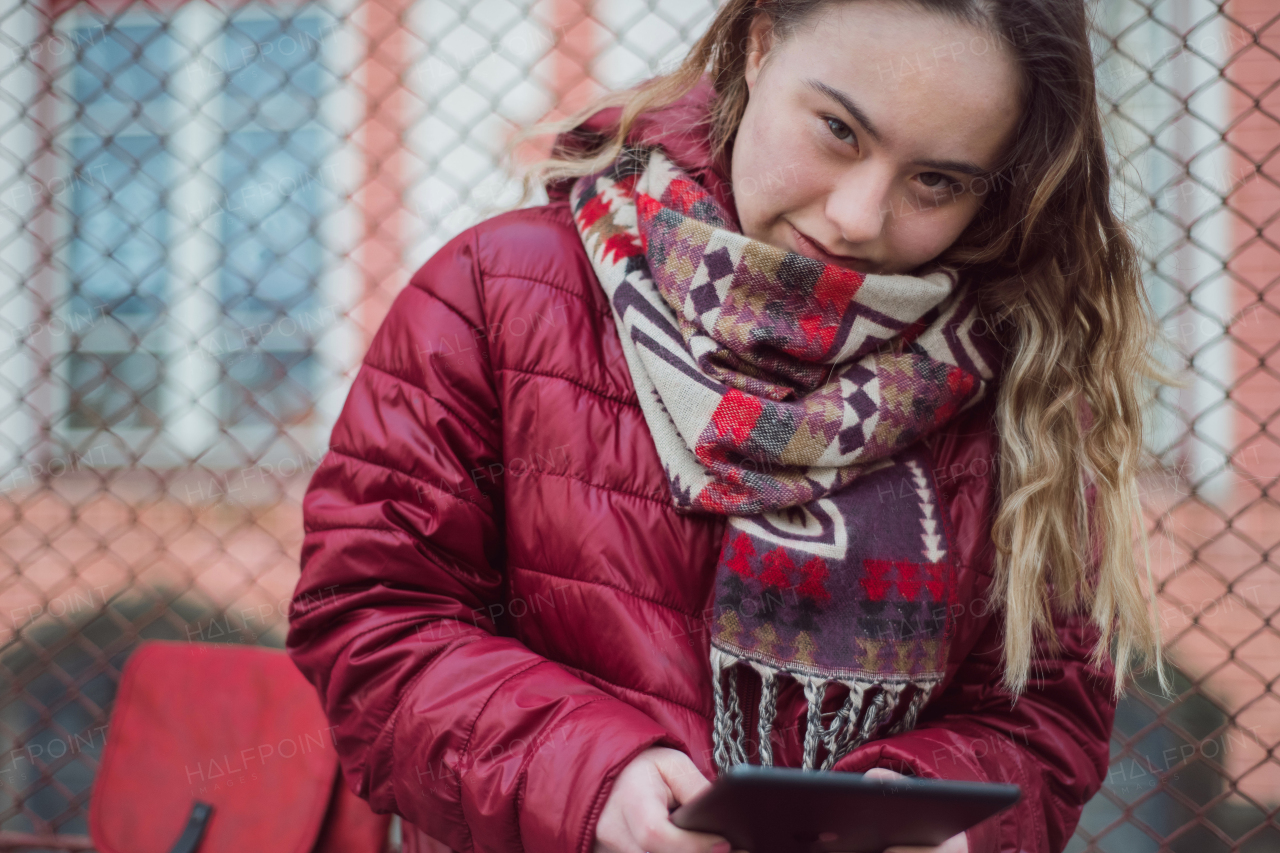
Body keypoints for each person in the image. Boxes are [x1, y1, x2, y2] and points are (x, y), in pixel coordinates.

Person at [285, 1, 1171, 852]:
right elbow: (371, 621)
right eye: (839, 131)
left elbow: (1043, 711)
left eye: (936, 181)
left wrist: (936, 818)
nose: (858, 218)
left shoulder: (1023, 385)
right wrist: (590, 779)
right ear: (758, 46)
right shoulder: (499, 293)